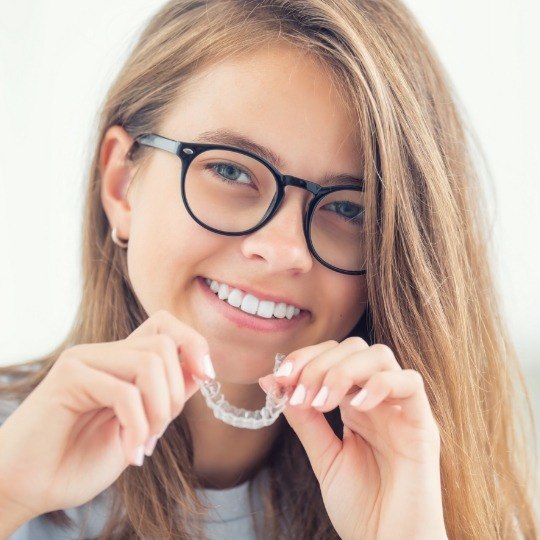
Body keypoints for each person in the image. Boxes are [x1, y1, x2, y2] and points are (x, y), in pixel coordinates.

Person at [0, 0, 537, 538]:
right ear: (121, 185)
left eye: (348, 208)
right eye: (231, 170)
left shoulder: (446, 509)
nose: (283, 249)